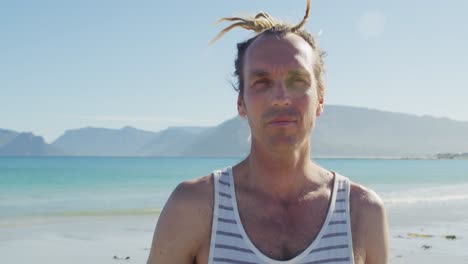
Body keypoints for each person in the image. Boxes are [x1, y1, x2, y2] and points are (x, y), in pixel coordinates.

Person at [147, 0, 389, 263]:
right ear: (241, 103)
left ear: (320, 99)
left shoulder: (362, 211)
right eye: (262, 82)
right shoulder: (194, 206)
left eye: (297, 81)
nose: (280, 98)